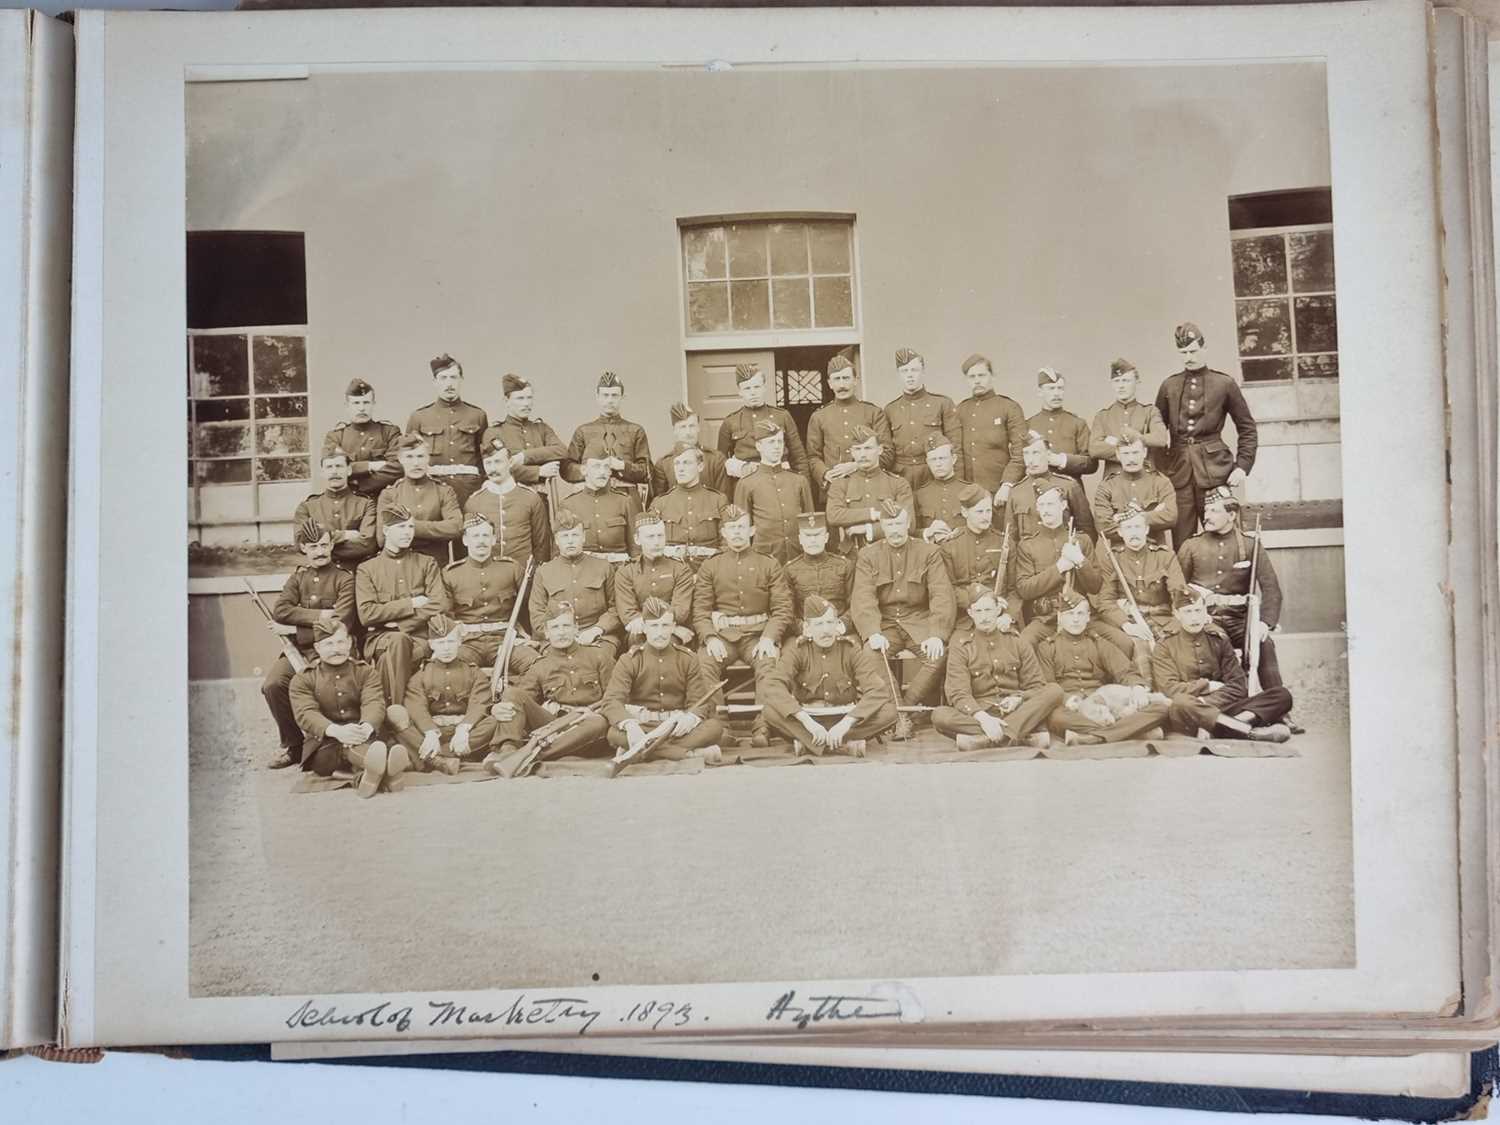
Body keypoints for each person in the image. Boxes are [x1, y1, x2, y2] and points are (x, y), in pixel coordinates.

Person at [1176, 487, 1292, 709]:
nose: (1206, 516)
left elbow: (1271, 589)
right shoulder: (1191, 546)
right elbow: (1177, 588)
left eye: (1214, 511)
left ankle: (1278, 708)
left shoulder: (1250, 545)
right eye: (1206, 510)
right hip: (1206, 619)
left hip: (1240, 620)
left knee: (1264, 643)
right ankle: (1224, 706)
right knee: (1218, 643)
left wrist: (1264, 623)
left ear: (1231, 515)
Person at [692, 504, 794, 745]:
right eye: (731, 528)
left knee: (768, 664)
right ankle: (721, 728)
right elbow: (701, 610)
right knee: (704, 662)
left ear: (751, 530)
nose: (736, 533)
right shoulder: (711, 566)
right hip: (723, 637)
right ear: (724, 533)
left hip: (758, 635)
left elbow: (783, 608)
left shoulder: (769, 564)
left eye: (741, 528)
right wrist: (710, 638)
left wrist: (770, 637)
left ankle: (763, 727)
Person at [261, 519, 357, 769]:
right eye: (313, 546)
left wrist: (294, 628)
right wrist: (322, 615)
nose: (320, 551)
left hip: (332, 651)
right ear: (303, 548)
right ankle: (293, 746)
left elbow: (341, 621)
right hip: (299, 650)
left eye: (324, 545)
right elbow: (280, 610)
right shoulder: (297, 579)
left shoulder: (345, 579)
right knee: (273, 685)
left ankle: (328, 744)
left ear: (332, 544)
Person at [483, 600, 616, 776]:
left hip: (589, 731)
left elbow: (615, 697)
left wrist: (597, 712)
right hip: (555, 725)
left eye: (566, 626)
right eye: (555, 628)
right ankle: (509, 749)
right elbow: (521, 702)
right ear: (546, 633)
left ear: (576, 628)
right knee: (512, 693)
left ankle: (527, 756)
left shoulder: (599, 656)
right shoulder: (540, 666)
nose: (561, 632)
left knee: (598, 722)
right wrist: (495, 707)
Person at [1155, 322, 1259, 547]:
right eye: (1183, 353)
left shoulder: (1224, 384)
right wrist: (1162, 470)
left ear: (1204, 349)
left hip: (1216, 472)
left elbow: (1247, 428)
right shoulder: (1169, 386)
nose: (1188, 357)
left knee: (1226, 539)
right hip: (1180, 475)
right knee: (1182, 543)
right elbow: (1155, 431)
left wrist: (1242, 466)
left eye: (1193, 351)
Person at [849, 499, 956, 707]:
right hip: (885, 623)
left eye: (899, 524)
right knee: (870, 656)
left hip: (919, 621)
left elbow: (941, 594)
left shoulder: (928, 552)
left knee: (939, 655)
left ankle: (904, 707)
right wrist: (872, 632)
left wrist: (936, 634)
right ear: (882, 525)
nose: (895, 530)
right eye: (889, 525)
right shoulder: (868, 555)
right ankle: (901, 715)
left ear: (908, 524)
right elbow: (863, 597)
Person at [1151, 587, 1293, 743]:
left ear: (1205, 611)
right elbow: (1170, 689)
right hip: (1188, 713)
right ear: (1177, 615)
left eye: (1198, 610)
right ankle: (1248, 732)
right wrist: (1208, 686)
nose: (1195, 618)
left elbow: (1239, 686)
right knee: (1181, 701)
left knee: (1282, 695)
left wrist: (1206, 703)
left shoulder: (1218, 639)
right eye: (1188, 612)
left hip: (1220, 708)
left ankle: (1218, 728)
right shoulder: (1165, 646)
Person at [761, 595, 898, 757]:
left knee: (889, 712)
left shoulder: (850, 649)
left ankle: (811, 743)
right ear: (807, 628)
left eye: (829, 623)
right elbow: (772, 685)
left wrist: (846, 723)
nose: (826, 630)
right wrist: (807, 721)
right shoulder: (797, 650)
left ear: (837, 624)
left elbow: (877, 690)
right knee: (769, 711)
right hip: (810, 720)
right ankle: (843, 746)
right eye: (819, 624)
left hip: (845, 718)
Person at [933, 588, 1063, 754]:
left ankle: (989, 739)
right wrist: (984, 719)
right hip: (981, 713)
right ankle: (1020, 735)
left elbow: (1036, 685)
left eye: (988, 610)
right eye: (978, 611)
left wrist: (1018, 698)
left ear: (998, 610)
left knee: (1054, 691)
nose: (984, 616)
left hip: (1018, 710)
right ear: (970, 613)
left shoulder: (1017, 642)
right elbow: (959, 693)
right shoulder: (961, 647)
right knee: (939, 715)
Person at [603, 597, 727, 770]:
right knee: (613, 733)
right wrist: (630, 725)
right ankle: (690, 755)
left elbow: (699, 701)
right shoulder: (629, 660)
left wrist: (690, 718)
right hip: (643, 727)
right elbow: (611, 701)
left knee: (714, 728)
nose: (660, 633)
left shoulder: (688, 659)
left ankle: (637, 751)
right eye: (654, 626)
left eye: (665, 625)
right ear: (644, 627)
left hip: (677, 729)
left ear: (673, 627)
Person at [1035, 592, 1170, 749]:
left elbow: (1126, 672)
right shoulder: (1047, 647)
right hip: (1073, 709)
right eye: (1070, 614)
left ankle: (1093, 738)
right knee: (1055, 718)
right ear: (1060, 617)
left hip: (1106, 706)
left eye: (1080, 613)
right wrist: (1066, 699)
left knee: (1161, 708)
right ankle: (1134, 731)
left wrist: (1138, 688)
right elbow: (1048, 686)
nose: (1076, 619)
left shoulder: (1099, 643)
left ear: (1088, 617)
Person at [1012, 484, 1133, 658]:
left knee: (1123, 642)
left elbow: (1095, 587)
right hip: (1048, 618)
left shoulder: (1081, 541)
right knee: (1024, 645)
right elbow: (1025, 589)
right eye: (1042, 505)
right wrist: (1059, 568)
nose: (1046, 510)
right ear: (1037, 508)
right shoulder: (1027, 545)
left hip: (1080, 615)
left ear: (1063, 506)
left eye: (1051, 504)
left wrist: (1079, 561)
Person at [288, 619, 397, 798]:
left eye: (340, 642)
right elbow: (306, 713)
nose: (336, 649)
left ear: (349, 643)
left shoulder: (365, 672)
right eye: (328, 644)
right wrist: (336, 731)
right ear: (317, 647)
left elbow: (374, 702)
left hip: (365, 734)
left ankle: (367, 775)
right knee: (344, 751)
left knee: (374, 743)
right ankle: (386, 770)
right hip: (326, 744)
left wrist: (367, 727)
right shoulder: (303, 679)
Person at [355, 503, 449, 705]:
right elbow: (367, 614)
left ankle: (391, 711)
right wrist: (411, 602)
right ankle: (396, 710)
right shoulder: (367, 569)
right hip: (380, 638)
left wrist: (399, 624)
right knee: (397, 643)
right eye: (401, 528)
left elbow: (439, 604)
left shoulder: (426, 563)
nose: (408, 533)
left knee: (400, 644)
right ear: (387, 530)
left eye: (411, 527)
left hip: (420, 636)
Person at [385, 614, 501, 776]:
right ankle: (442, 759)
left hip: (465, 734)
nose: (446, 648)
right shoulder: (421, 675)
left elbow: (479, 704)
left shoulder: (474, 673)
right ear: (432, 644)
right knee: (395, 714)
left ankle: (431, 758)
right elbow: (416, 707)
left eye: (451, 642)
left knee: (496, 719)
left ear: (460, 642)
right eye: (441, 643)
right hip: (433, 733)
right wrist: (430, 733)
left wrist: (463, 730)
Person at [1093, 503, 1186, 676]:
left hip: (1163, 619)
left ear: (1146, 529)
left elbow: (1179, 592)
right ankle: (1147, 693)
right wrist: (1126, 625)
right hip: (1132, 620)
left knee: (1175, 650)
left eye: (1137, 527)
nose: (1133, 533)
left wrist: (1177, 621)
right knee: (1140, 649)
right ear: (1120, 533)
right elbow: (1105, 601)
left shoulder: (1165, 556)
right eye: (1128, 528)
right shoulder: (1112, 559)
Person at [441, 513, 538, 675]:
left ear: (493, 539)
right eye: (475, 536)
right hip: (466, 642)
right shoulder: (451, 574)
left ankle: (515, 698)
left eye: (486, 535)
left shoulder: (512, 569)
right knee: (447, 671)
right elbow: (445, 615)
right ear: (465, 540)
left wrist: (530, 637)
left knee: (535, 664)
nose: (481, 541)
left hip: (505, 639)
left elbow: (532, 605)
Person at [528, 510, 620, 659]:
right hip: (556, 638)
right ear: (557, 540)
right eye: (565, 536)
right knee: (557, 663)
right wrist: (561, 635)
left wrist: (596, 630)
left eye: (575, 535)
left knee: (600, 659)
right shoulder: (543, 572)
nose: (570, 541)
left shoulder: (603, 567)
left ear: (583, 537)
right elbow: (537, 613)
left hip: (597, 637)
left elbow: (616, 608)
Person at [406, 353, 489, 509]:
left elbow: (485, 458)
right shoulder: (419, 417)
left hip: (469, 491)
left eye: (453, 377)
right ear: (434, 382)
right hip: (432, 491)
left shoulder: (477, 415)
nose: (449, 384)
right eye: (443, 378)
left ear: (461, 380)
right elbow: (408, 460)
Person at [805, 353, 894, 498]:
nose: (841, 385)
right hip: (834, 491)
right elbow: (812, 457)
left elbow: (887, 452)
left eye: (846, 378)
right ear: (829, 383)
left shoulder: (873, 413)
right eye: (837, 379)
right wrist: (826, 474)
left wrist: (855, 466)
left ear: (855, 380)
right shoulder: (819, 417)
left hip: (870, 489)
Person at [463, 436, 551, 573]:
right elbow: (468, 549)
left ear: (510, 462)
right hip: (488, 577)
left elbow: (542, 545)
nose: (493, 468)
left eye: (498, 462)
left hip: (524, 574)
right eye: (488, 463)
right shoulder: (474, 502)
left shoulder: (531, 498)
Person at [732, 419, 814, 564]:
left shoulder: (799, 481)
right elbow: (742, 530)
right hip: (764, 558)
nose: (776, 447)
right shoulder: (746, 484)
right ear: (759, 446)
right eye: (770, 442)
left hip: (798, 556)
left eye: (779, 442)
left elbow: (810, 523)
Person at [716, 362, 811, 487]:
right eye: (747, 388)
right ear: (739, 391)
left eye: (757, 387)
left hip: (781, 482)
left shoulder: (782, 416)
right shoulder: (730, 422)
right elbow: (722, 462)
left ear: (764, 387)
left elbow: (799, 458)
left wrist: (803, 488)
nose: (753, 392)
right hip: (746, 485)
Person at [374, 432, 463, 566]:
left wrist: (408, 527)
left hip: (436, 566)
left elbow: (456, 527)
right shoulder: (389, 494)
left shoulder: (444, 491)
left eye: (420, 456)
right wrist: (435, 531)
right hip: (401, 567)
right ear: (400, 459)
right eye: (409, 457)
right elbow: (382, 538)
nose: (416, 463)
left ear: (428, 458)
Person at [823, 425, 915, 554]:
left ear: (880, 450)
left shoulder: (898, 483)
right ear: (852, 452)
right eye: (858, 449)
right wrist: (873, 514)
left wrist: (868, 529)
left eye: (868, 448)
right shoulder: (840, 484)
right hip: (853, 554)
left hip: (888, 553)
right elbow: (833, 515)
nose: (863, 454)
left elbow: (909, 524)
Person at [615, 512, 696, 647]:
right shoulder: (626, 572)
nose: (657, 542)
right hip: (641, 633)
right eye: (650, 537)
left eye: (660, 536)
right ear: (637, 539)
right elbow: (628, 615)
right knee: (637, 640)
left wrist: (665, 629)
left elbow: (681, 612)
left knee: (667, 643)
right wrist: (672, 628)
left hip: (671, 635)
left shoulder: (680, 569)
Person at [884, 347, 960, 490]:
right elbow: (888, 450)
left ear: (923, 371)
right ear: (898, 374)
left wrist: (956, 482)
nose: (910, 375)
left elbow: (955, 447)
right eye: (904, 371)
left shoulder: (942, 403)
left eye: (914, 370)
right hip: (901, 477)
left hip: (933, 475)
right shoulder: (890, 409)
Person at [954, 353, 1027, 501]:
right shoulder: (961, 410)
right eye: (972, 377)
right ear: (966, 380)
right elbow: (955, 452)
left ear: (992, 376)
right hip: (968, 491)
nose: (977, 381)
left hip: (999, 492)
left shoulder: (1008, 407)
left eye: (981, 375)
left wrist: (1007, 484)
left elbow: (1021, 451)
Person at [564, 370, 651, 490]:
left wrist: (622, 466)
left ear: (622, 397)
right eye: (605, 395)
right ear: (597, 396)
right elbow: (566, 469)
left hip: (626, 497)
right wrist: (586, 469)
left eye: (614, 395)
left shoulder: (635, 430)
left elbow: (647, 471)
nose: (610, 400)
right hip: (592, 498)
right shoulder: (583, 431)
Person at [1004, 431, 1095, 543]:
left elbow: (1087, 534)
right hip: (1028, 559)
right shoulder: (1016, 492)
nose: (1031, 460)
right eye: (1026, 454)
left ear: (1048, 455)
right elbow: (1011, 539)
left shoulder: (1069, 486)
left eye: (1036, 453)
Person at [293, 449, 377, 567]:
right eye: (329, 467)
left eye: (339, 466)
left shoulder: (366, 504)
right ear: (322, 472)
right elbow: (300, 544)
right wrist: (344, 535)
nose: (334, 471)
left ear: (348, 470)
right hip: (321, 575)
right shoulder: (307, 507)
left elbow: (367, 545)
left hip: (356, 573)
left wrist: (318, 547)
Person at [940, 485, 1011, 624]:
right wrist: (980, 602)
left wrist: (1008, 616)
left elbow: (1014, 589)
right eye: (979, 512)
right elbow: (948, 589)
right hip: (965, 617)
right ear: (965, 512)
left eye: (988, 511)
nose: (986, 517)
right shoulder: (950, 546)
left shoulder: (1004, 543)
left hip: (1000, 616)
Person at [321, 378, 402, 498]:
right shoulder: (336, 436)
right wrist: (372, 466)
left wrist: (359, 484)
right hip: (350, 502)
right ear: (347, 406)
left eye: (366, 402)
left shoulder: (389, 432)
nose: (362, 408)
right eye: (356, 403)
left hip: (383, 499)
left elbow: (398, 468)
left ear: (373, 404)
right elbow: (335, 468)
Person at [484, 373, 568, 489]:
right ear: (506, 401)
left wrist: (524, 456)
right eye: (520, 398)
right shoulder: (494, 433)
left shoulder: (541, 428)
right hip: (511, 499)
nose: (526, 403)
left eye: (529, 398)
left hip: (540, 497)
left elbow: (561, 450)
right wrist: (539, 471)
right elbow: (499, 469)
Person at [648, 444, 727, 567]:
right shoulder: (660, 503)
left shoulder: (717, 500)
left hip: (709, 570)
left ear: (700, 466)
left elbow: (726, 543)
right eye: (677, 464)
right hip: (672, 573)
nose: (680, 468)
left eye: (686, 463)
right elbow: (650, 544)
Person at [1089, 435, 1176, 545]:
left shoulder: (1161, 482)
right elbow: (1103, 527)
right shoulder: (1107, 486)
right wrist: (1149, 516)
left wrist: (1126, 519)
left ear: (1144, 452)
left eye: (1135, 453)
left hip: (1155, 553)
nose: (1131, 459)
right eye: (1126, 453)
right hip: (1120, 554)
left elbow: (1171, 517)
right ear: (1118, 454)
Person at [1088, 358, 1168, 477]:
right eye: (1117, 381)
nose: (1121, 386)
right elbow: (1094, 449)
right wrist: (1139, 446)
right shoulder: (1102, 416)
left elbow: (1161, 438)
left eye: (1126, 381)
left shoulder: (1150, 411)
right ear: (1111, 384)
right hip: (1114, 480)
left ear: (1137, 382)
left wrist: (1118, 441)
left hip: (1146, 478)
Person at [561, 454, 642, 562]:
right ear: (584, 470)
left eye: (606, 467)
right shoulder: (569, 504)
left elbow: (636, 550)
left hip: (618, 571)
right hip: (584, 572)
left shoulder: (625, 502)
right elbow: (561, 551)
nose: (602, 472)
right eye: (596, 466)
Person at [1026, 367, 1098, 490]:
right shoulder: (1029, 425)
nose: (1056, 393)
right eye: (1051, 388)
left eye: (1060, 388)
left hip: (1071, 492)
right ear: (1040, 391)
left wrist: (1061, 460)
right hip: (1038, 493)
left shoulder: (1077, 423)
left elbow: (1092, 464)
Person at [783, 512, 855, 633]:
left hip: (838, 630)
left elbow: (857, 604)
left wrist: (842, 625)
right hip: (805, 633)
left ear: (826, 537)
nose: (813, 540)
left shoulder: (844, 566)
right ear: (800, 539)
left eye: (817, 535)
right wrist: (802, 628)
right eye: (808, 536)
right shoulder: (790, 570)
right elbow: (786, 609)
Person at [651, 403, 729, 498]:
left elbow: (724, 498)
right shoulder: (663, 464)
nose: (688, 432)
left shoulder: (716, 459)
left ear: (698, 428)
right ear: (674, 430)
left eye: (692, 426)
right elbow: (659, 502)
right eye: (683, 427)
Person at [914, 433, 972, 544]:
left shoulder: (969, 490)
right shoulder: (920, 495)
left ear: (954, 459)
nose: (938, 464)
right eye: (933, 459)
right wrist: (927, 532)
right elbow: (911, 531)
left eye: (942, 458)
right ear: (927, 462)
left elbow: (983, 525)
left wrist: (961, 532)